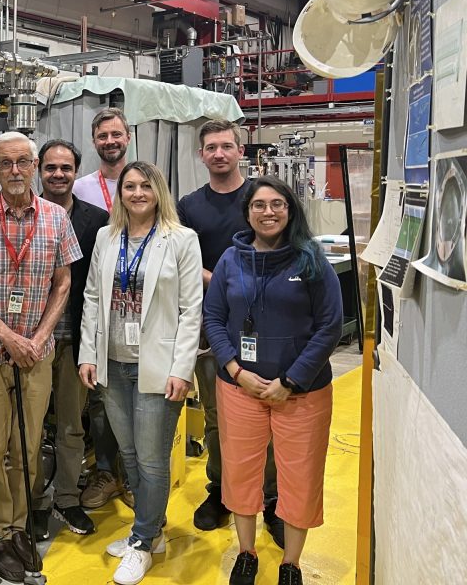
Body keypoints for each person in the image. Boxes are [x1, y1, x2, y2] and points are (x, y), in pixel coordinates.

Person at [0, 131, 81, 583]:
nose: (14, 172)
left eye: (22, 162)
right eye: (5, 164)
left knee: (26, 447)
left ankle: (19, 524)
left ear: (34, 166)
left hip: (37, 352)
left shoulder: (55, 219)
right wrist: (8, 336)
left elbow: (63, 283)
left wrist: (39, 336)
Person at [204, 176, 343, 585]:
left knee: (299, 476)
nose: (268, 212)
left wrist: (292, 381)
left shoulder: (311, 259)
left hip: (301, 393)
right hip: (239, 389)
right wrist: (236, 371)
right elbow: (214, 319)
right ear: (247, 212)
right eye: (259, 205)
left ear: (290, 210)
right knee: (240, 473)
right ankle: (246, 554)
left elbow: (330, 327)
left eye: (277, 204)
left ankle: (291, 563)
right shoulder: (231, 259)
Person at [78, 161, 202, 585]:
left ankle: (143, 540)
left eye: (145, 186)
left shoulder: (182, 239)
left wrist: (182, 368)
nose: (136, 193)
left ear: (158, 191)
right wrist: (87, 354)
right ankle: (150, 529)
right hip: (112, 363)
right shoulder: (106, 237)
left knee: (151, 460)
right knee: (129, 454)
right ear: (120, 194)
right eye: (129, 186)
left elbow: (191, 310)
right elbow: (93, 297)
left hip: (158, 365)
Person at [177, 119, 283, 545]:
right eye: (211, 147)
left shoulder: (263, 197)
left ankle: (273, 498)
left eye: (226, 146)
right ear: (201, 155)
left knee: (272, 410)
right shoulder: (189, 206)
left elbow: (287, 248)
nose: (219, 153)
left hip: (270, 322)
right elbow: (184, 260)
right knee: (219, 417)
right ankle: (221, 492)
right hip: (213, 323)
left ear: (241, 150)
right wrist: (228, 279)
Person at [31, 139, 108, 539]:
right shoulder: (25, 213)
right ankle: (36, 502)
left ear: (76, 172)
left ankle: (66, 497)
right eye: (50, 168)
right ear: (38, 170)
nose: (58, 174)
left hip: (76, 338)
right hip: (30, 340)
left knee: (71, 426)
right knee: (28, 426)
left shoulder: (96, 220)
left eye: (66, 168)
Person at [71, 107, 132, 509]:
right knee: (100, 398)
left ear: (128, 137)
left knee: (140, 393)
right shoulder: (80, 189)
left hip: (139, 306)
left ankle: (137, 475)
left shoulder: (142, 180)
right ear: (94, 142)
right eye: (102, 136)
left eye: (116, 134)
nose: (110, 142)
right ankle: (107, 471)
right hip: (95, 305)